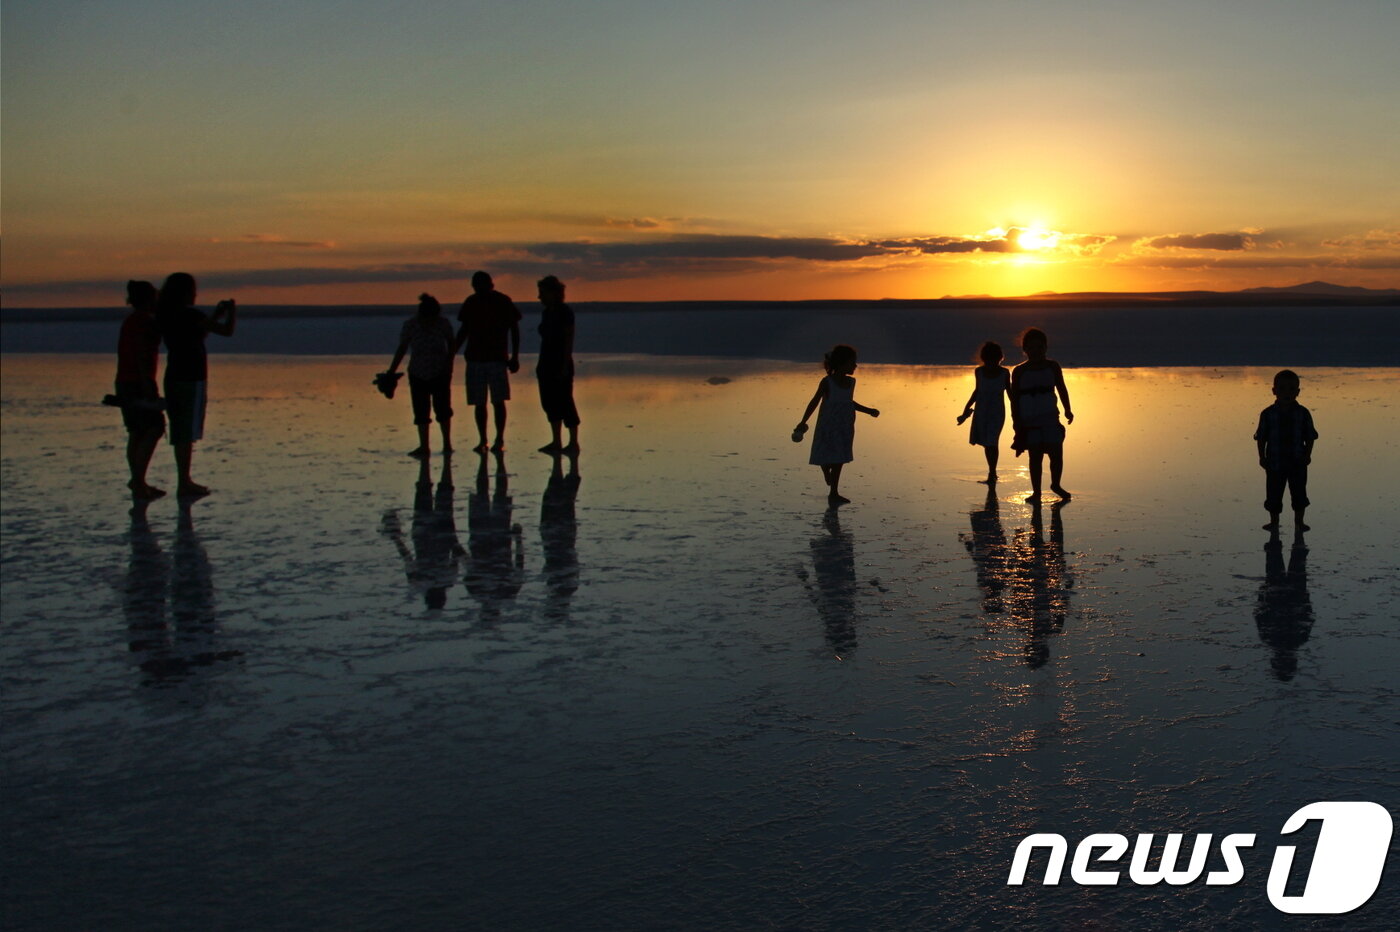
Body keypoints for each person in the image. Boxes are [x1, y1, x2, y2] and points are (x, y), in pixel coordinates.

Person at [156, 272, 236, 497]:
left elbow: (199, 333)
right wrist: (231, 313)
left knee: (180, 427)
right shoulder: (189, 314)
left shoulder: (167, 314)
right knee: (186, 430)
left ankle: (184, 479)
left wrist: (216, 315)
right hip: (191, 376)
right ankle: (184, 481)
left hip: (174, 374)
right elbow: (226, 332)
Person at [794, 344, 880, 504]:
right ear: (842, 363)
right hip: (828, 424)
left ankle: (834, 492)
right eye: (852, 362)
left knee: (839, 458)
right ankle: (827, 472)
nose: (855, 365)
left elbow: (848, 402)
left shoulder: (851, 382)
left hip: (844, 425)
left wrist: (869, 411)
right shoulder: (827, 382)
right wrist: (803, 421)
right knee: (825, 454)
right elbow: (815, 401)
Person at [454, 270, 521, 452]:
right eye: (475, 286)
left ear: (489, 284)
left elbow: (514, 329)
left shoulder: (502, 301)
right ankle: (483, 439)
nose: (477, 289)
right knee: (479, 403)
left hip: (497, 359)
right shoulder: (471, 302)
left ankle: (499, 439)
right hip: (476, 359)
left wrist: (514, 356)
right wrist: (452, 353)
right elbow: (464, 330)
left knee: (498, 401)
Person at [385, 293, 456, 458]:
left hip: (440, 371)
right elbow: (402, 348)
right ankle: (424, 446)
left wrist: (449, 364)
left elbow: (451, 343)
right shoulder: (411, 325)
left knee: (443, 409)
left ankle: (447, 443)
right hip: (418, 372)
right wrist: (392, 371)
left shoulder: (443, 323)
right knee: (421, 411)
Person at [114, 280, 166, 499]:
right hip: (137, 382)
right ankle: (138, 481)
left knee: (136, 431)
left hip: (125, 381)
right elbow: (142, 355)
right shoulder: (143, 322)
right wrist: (148, 385)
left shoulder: (132, 321)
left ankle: (138, 481)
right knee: (153, 428)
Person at [1010, 328, 1073, 503]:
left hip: (1050, 417)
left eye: (1039, 347)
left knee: (1056, 454)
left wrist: (1068, 409)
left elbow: (1061, 388)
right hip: (1029, 420)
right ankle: (1036, 492)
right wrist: (1016, 421)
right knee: (1035, 457)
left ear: (1045, 348)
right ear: (1025, 349)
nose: (1036, 351)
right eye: (1031, 348)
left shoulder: (1052, 366)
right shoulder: (1019, 371)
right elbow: (1014, 398)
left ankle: (1056, 484)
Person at [1255, 369, 1317, 531]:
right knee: (1274, 494)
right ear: (1274, 391)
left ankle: (1299, 521)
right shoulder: (1268, 414)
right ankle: (1274, 521)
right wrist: (1262, 457)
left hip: (1297, 462)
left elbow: (1310, 436)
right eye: (1282, 388)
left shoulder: (1302, 413)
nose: (1286, 393)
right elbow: (1261, 437)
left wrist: (1308, 455)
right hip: (1275, 462)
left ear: (1297, 392)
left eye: (1291, 388)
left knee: (1299, 494)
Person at [535, 275, 580, 453]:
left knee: (565, 401)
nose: (540, 297)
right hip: (546, 361)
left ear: (554, 293)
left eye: (542, 293)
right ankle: (556, 441)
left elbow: (569, 338)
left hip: (560, 362)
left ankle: (573, 442)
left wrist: (564, 364)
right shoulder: (547, 313)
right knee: (549, 402)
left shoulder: (565, 312)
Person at [956, 340, 1011, 483]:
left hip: (997, 412)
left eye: (994, 358)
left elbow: (1010, 394)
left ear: (1000, 358)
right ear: (984, 358)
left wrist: (1018, 412)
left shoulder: (1005, 373)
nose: (991, 361)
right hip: (981, 411)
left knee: (992, 441)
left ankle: (992, 473)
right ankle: (992, 472)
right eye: (988, 358)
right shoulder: (979, 371)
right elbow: (976, 391)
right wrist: (965, 411)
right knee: (987, 443)